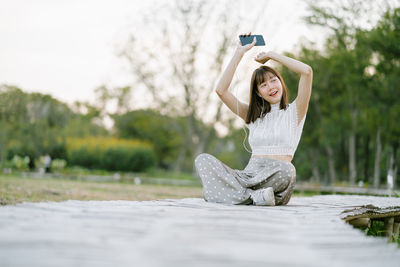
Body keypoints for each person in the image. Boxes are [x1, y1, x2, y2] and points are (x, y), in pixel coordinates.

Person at [194, 33, 313, 206]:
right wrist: (239, 52)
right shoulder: (252, 116)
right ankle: (251, 197)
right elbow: (221, 90)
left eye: (273, 80)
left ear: (281, 82)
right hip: (248, 177)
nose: (270, 87)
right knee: (203, 160)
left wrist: (271, 55)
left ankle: (232, 196)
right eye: (263, 85)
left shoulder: (295, 112)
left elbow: (307, 71)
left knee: (288, 170)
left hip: (276, 180)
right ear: (258, 92)